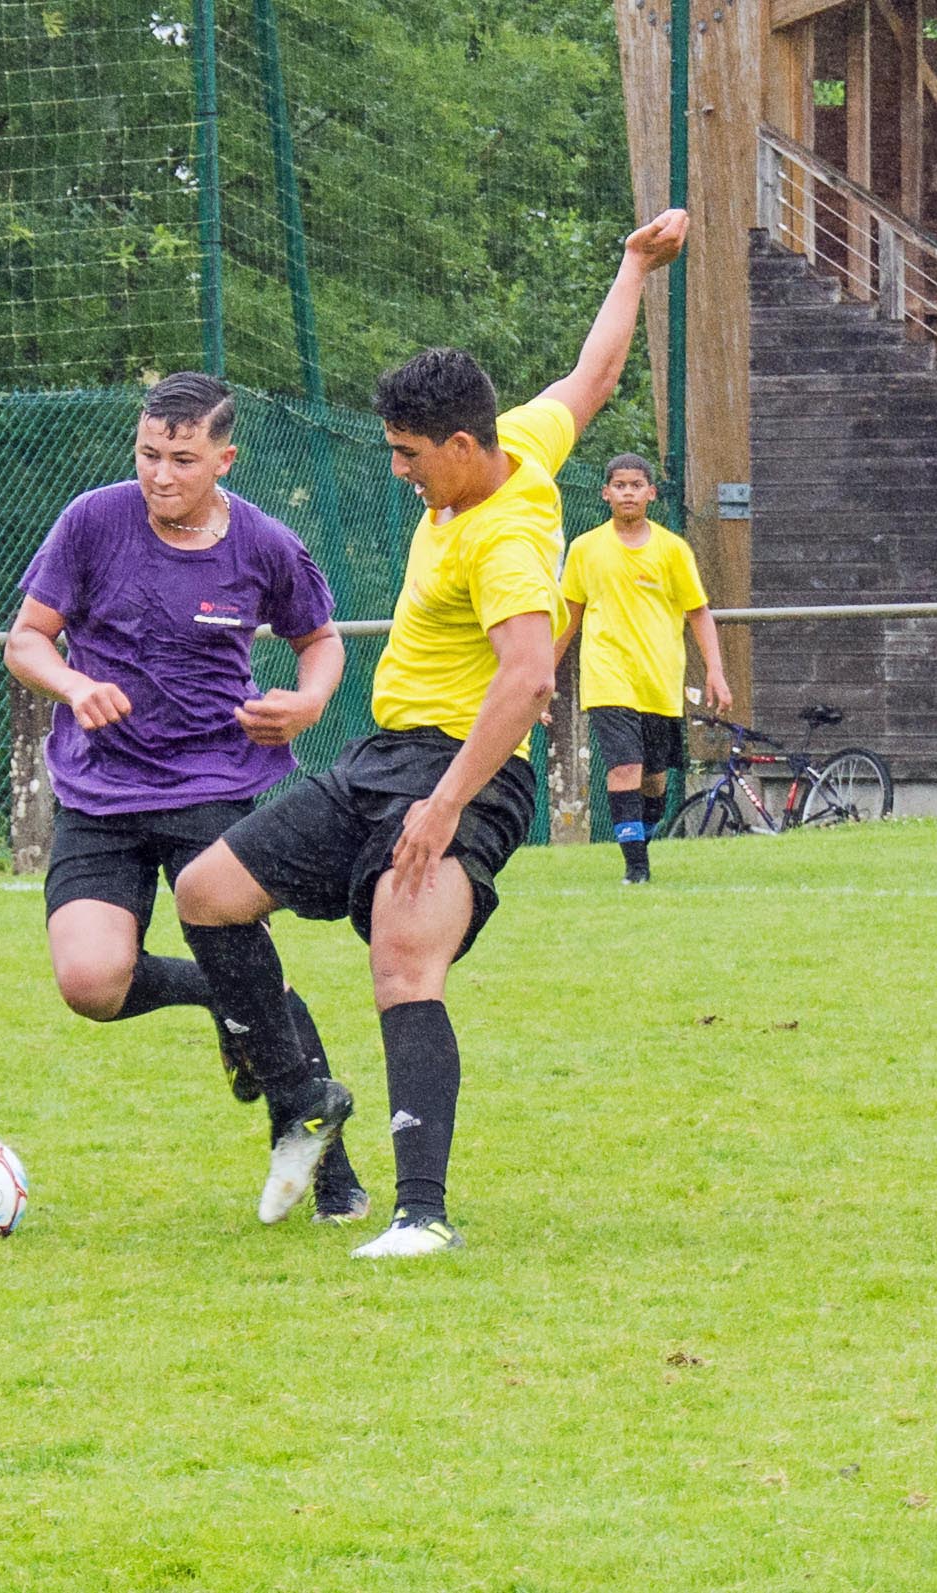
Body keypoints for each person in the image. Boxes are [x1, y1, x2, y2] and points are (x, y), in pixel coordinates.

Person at [171, 209, 690, 1260]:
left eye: (408, 455)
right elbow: (590, 380)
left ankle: (420, 1215)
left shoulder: (504, 535)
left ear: (459, 444)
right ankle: (303, 1098)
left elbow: (529, 679)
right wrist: (632, 266)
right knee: (207, 896)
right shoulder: (515, 448)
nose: (399, 471)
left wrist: (443, 804)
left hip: (462, 773)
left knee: (404, 963)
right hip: (379, 758)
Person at [5, 371, 369, 1222]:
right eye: (147, 455)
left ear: (223, 458)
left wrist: (308, 700)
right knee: (92, 983)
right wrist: (71, 684)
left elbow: (320, 642)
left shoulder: (266, 544)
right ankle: (219, 997)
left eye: (181, 458)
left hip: (219, 782)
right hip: (101, 789)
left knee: (244, 958)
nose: (160, 475)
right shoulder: (93, 520)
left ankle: (333, 1176)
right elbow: (27, 638)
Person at [555, 454, 730, 884]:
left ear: (651, 493)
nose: (628, 492)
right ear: (606, 493)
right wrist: (543, 675)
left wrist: (715, 671)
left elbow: (698, 613)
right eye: (619, 485)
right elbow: (569, 618)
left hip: (659, 680)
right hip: (607, 678)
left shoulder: (672, 550)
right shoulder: (585, 549)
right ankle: (636, 868)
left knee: (654, 779)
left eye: (637, 485)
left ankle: (641, 841)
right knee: (624, 768)